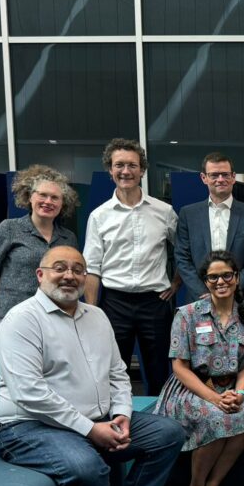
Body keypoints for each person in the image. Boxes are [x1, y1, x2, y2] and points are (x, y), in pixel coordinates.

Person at [0, 246, 186, 486]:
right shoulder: (20, 320)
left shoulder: (96, 317)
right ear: (40, 275)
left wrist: (122, 414)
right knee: (87, 465)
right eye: (59, 268)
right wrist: (90, 430)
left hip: (98, 419)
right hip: (28, 426)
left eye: (77, 269)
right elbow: (29, 394)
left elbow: (117, 373)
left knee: (168, 434)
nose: (69, 275)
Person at [154, 250, 244, 486]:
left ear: (237, 278)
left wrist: (240, 393)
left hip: (231, 388)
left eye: (227, 275)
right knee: (215, 417)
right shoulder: (187, 315)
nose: (221, 281)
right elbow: (179, 368)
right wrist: (214, 398)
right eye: (213, 277)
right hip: (191, 388)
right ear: (205, 282)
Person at [83, 138, 180, 395]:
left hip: (155, 302)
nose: (126, 171)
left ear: (142, 170)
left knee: (160, 370)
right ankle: (117, 426)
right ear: (110, 169)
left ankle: (161, 425)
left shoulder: (164, 212)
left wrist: (176, 282)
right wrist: (91, 313)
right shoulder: (99, 216)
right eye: (119, 165)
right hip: (114, 303)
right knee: (113, 371)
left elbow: (184, 250)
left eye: (132, 166)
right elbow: (92, 267)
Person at [0, 164, 79, 322]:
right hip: (15, 317)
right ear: (29, 196)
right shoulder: (9, 229)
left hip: (56, 317)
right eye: (42, 195)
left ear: (62, 203)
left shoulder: (68, 238)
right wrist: (3, 306)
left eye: (55, 197)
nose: (48, 201)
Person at [176, 152, 244, 306]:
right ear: (204, 178)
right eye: (214, 175)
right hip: (199, 300)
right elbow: (182, 258)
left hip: (241, 300)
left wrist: (231, 290)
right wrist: (203, 293)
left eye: (225, 174)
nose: (220, 179)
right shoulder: (188, 214)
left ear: (233, 177)